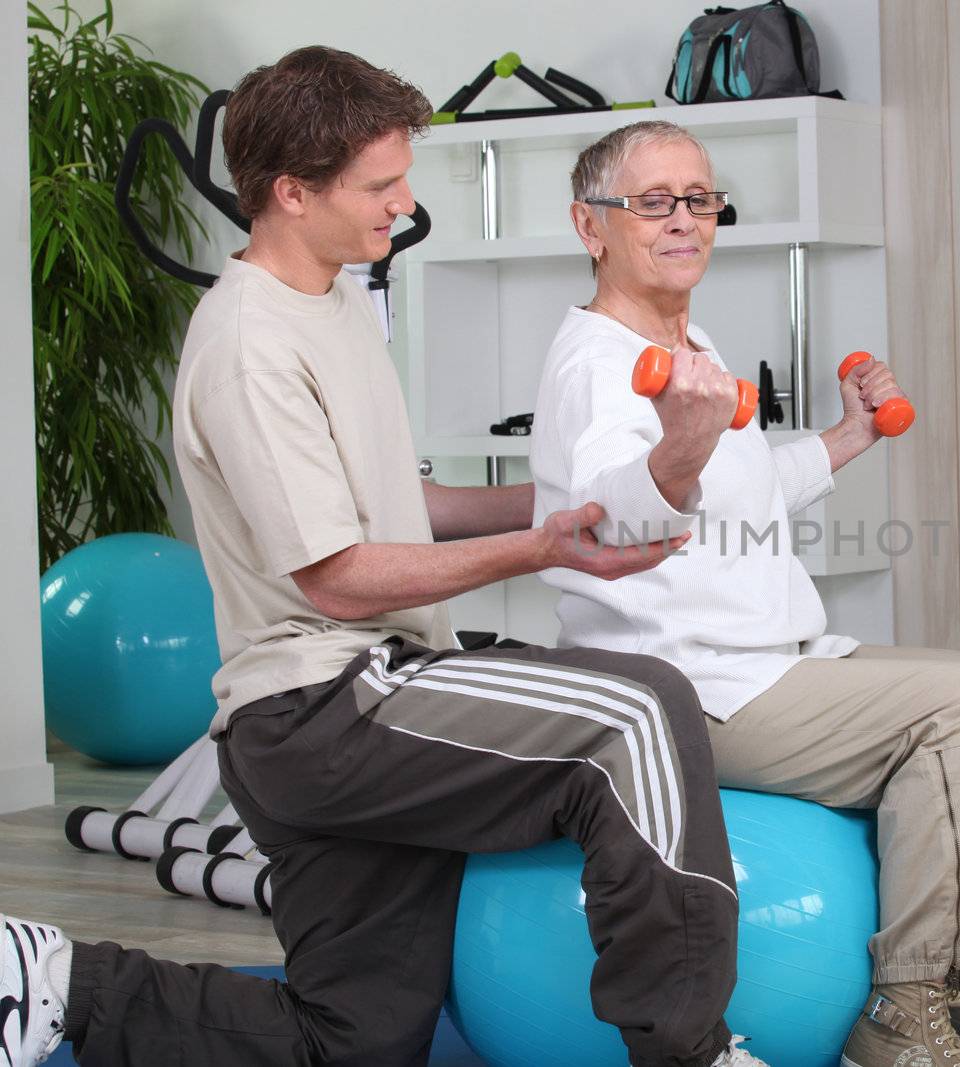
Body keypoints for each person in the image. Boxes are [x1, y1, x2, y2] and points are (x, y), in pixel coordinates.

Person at [1, 50, 768, 1067]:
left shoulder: (332, 299)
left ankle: (54, 980)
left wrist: (571, 503)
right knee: (640, 708)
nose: (403, 205)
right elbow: (340, 577)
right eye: (379, 186)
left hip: (350, 704)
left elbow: (409, 502)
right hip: (324, 707)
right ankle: (689, 1048)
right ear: (290, 192)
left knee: (350, 1042)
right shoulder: (248, 345)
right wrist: (543, 549)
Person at [529, 120, 960, 1067]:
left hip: (770, 655)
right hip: (688, 686)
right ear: (591, 225)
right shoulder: (594, 366)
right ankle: (901, 1010)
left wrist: (848, 436)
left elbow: (738, 490)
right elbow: (610, 519)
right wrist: (681, 446)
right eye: (654, 202)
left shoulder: (685, 337)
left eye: (700, 199)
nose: (686, 220)